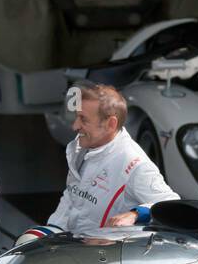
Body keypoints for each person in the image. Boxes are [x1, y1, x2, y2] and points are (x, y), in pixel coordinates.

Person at [47, 83, 178, 232]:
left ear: (110, 124)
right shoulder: (82, 147)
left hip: (100, 252)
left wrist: (136, 214)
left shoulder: (135, 164)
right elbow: (71, 196)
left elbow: (171, 205)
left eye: (83, 119)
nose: (75, 126)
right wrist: (51, 230)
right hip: (68, 243)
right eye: (77, 117)